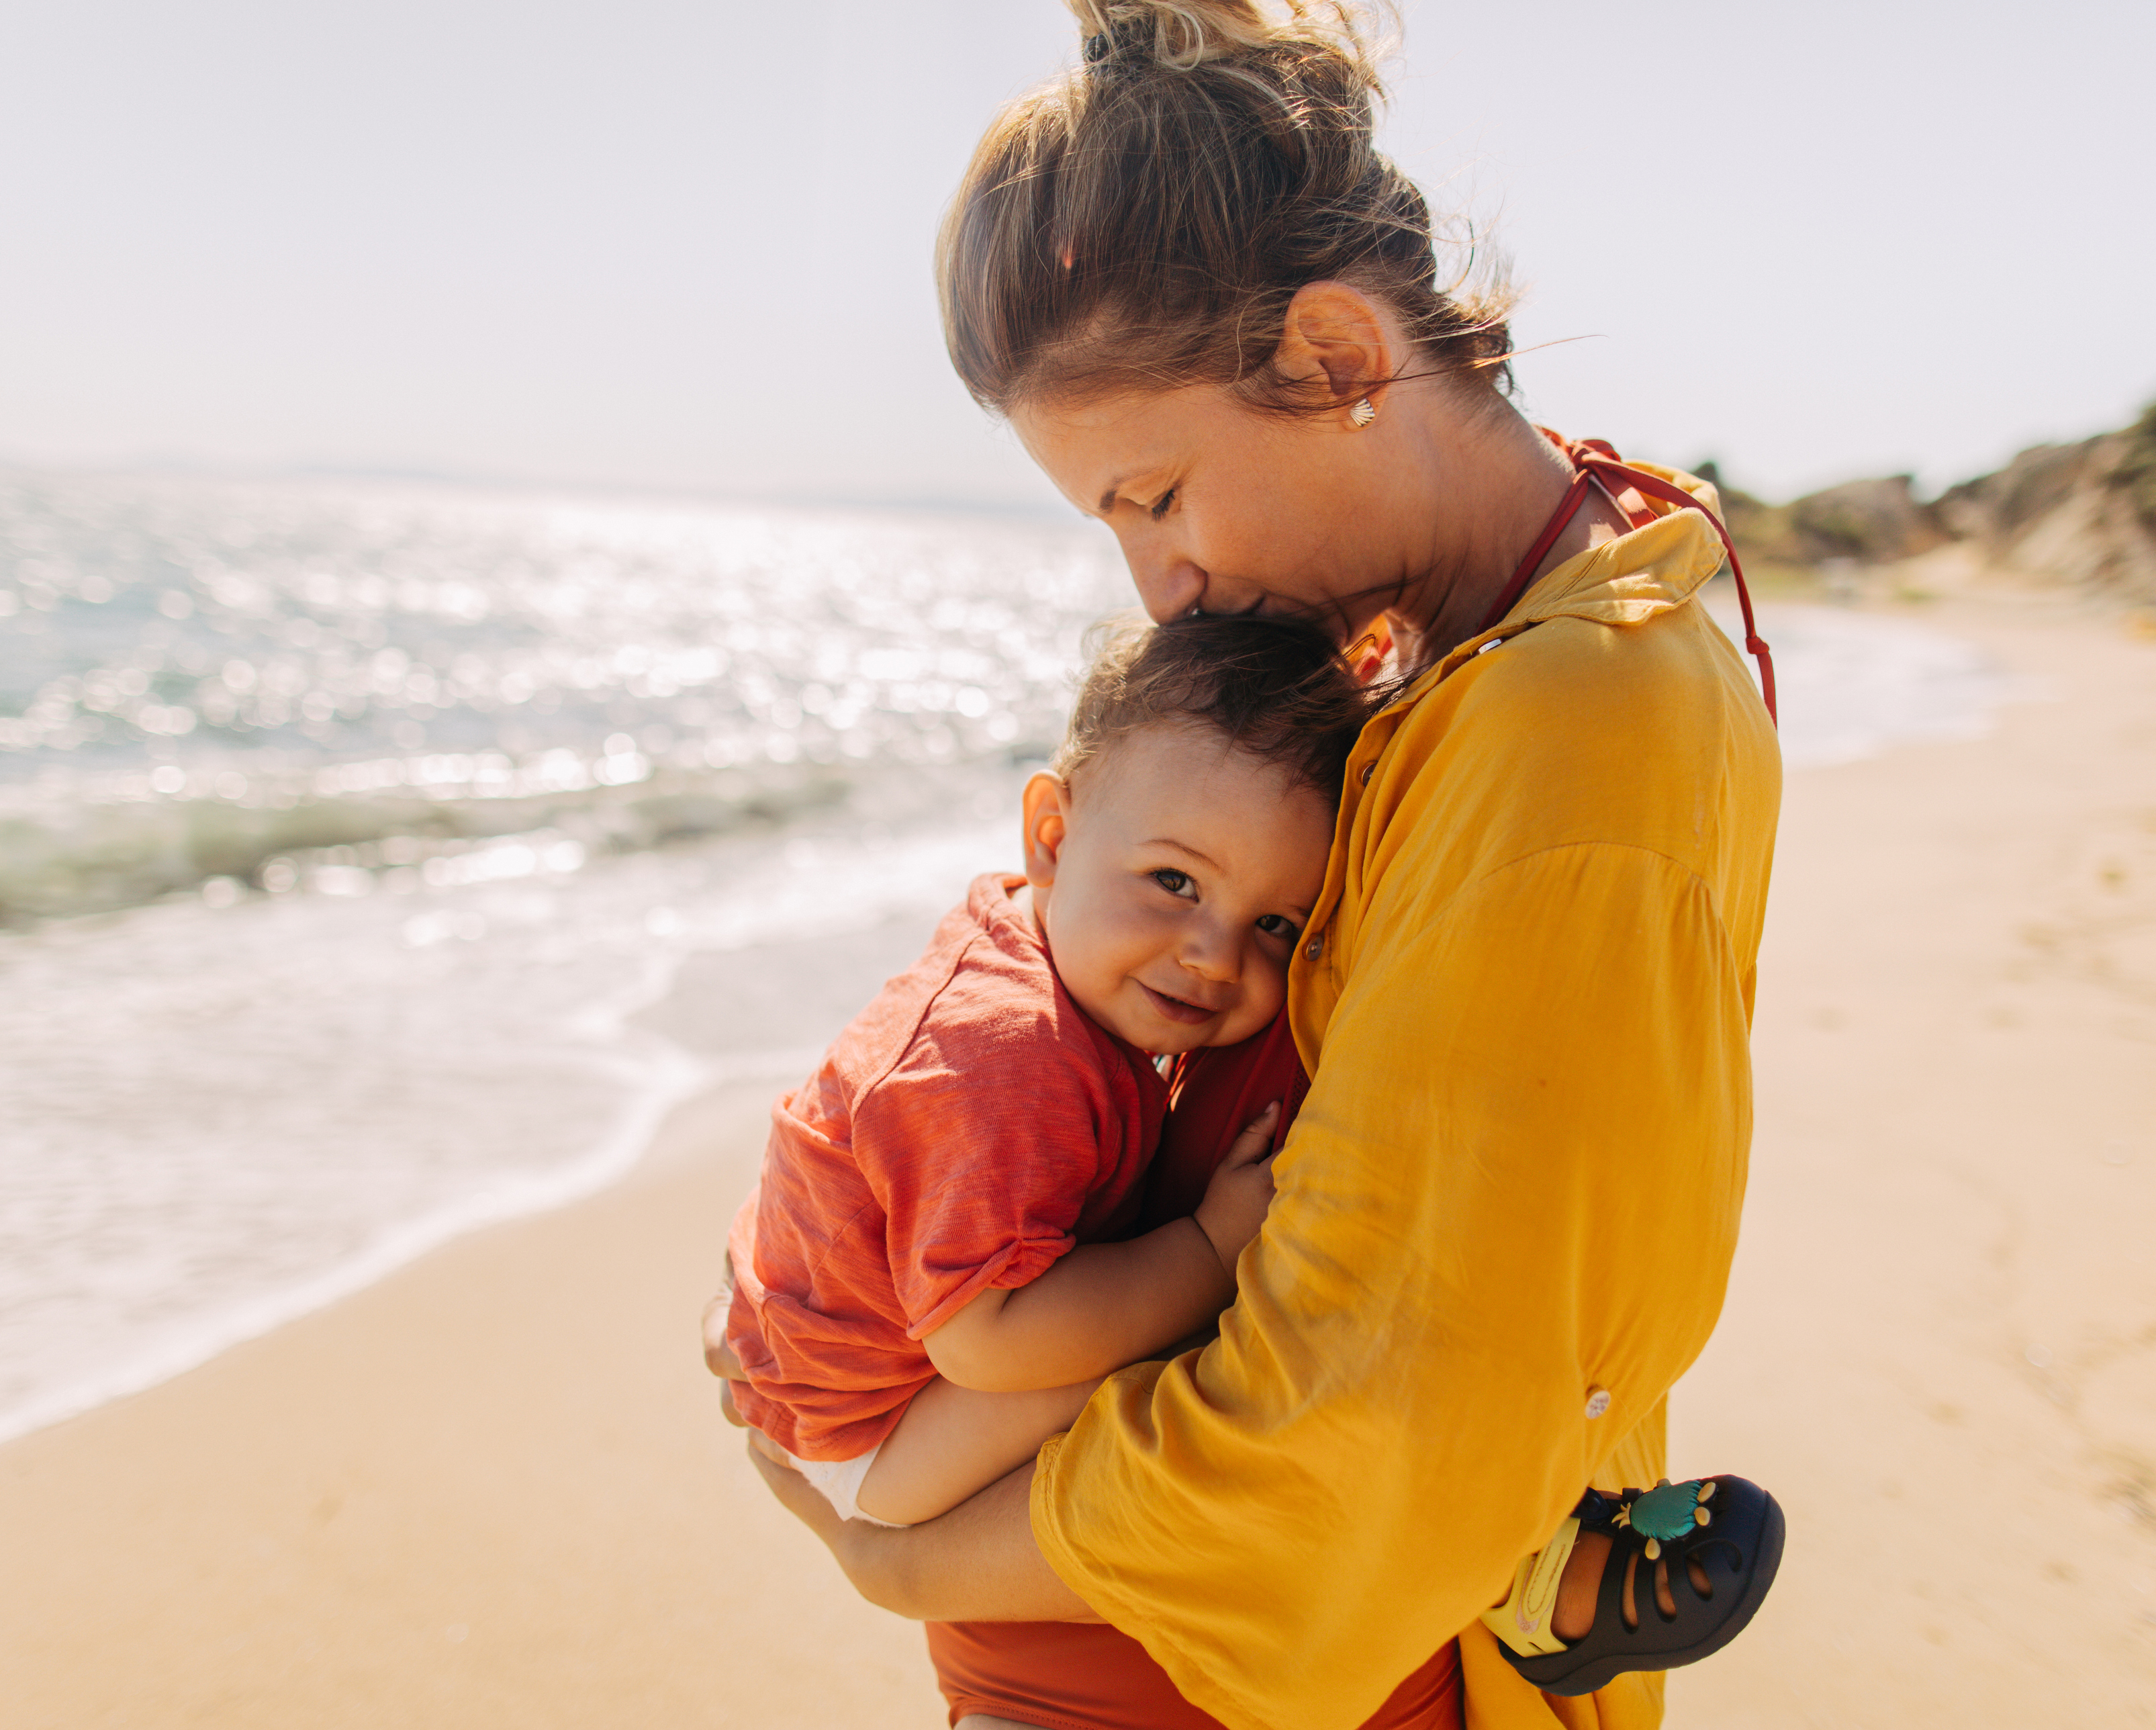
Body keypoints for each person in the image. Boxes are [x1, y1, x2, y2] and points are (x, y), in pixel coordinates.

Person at [709, 3, 1785, 1726]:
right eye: (1115, 527)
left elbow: (1368, 1425)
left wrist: (902, 1553)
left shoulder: (1575, 725)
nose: (1163, 588)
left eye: (1161, 496)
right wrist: (837, 1253)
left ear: (1343, 359)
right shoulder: (1451, 649)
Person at [719, 616, 1353, 1531]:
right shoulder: (1012, 1056)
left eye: (1277, 927)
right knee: (1140, 1362)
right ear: (1051, 838)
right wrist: (1211, 1252)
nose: (1215, 956)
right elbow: (988, 1342)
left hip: (804, 1334)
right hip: (859, 1437)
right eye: (1175, 882)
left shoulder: (1041, 937)